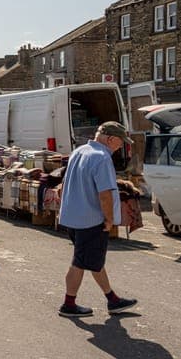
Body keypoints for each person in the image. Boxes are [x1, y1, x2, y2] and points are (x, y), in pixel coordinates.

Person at [57, 121, 138, 317]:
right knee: (80, 262)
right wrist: (109, 219)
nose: (121, 146)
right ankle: (68, 304)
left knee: (93, 260)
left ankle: (113, 299)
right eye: (120, 141)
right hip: (91, 219)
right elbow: (105, 194)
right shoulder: (102, 157)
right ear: (110, 139)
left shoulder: (79, 151)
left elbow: (63, 185)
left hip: (73, 216)